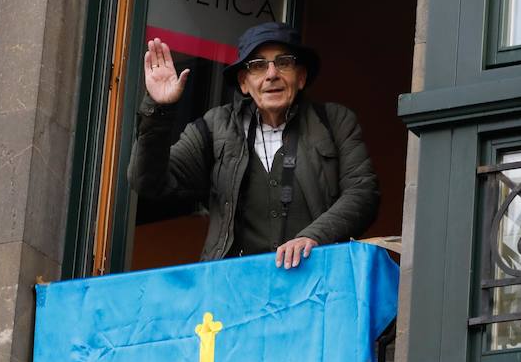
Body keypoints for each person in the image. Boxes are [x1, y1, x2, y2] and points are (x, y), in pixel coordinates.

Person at [128, 21, 379, 269]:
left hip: (316, 287)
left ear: (301, 77)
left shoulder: (335, 122)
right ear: (243, 83)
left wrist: (314, 236)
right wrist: (159, 110)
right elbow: (148, 182)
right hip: (235, 293)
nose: (272, 74)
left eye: (284, 63)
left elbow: (362, 192)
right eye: (258, 66)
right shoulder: (214, 127)